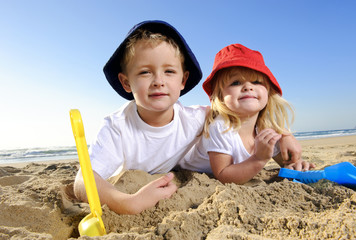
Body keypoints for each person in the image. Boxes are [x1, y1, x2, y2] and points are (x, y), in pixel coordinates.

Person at [74, 21, 304, 215]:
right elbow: (83, 181)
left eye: (169, 71)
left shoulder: (195, 118)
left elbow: (242, 110)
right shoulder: (117, 127)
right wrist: (129, 202)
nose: (158, 81)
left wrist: (285, 134)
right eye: (145, 72)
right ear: (126, 82)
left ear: (183, 80)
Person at [180, 43, 315, 184]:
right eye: (236, 82)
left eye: (257, 81)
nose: (248, 87)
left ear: (268, 93)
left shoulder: (264, 129)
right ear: (220, 96)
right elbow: (223, 175)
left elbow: (286, 162)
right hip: (184, 166)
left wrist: (295, 164)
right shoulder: (221, 126)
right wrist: (259, 159)